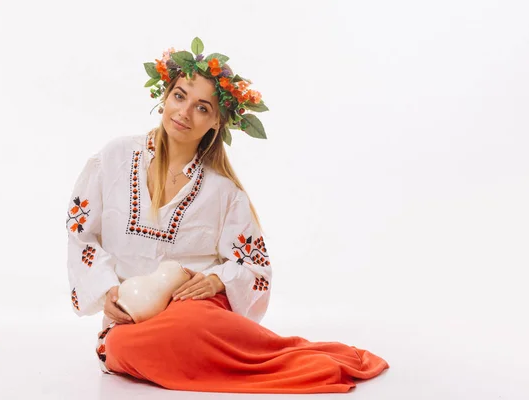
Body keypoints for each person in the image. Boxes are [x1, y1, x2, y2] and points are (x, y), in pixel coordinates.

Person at [66, 37, 389, 394]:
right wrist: (107, 291)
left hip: (192, 313)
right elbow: (82, 233)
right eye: (179, 96)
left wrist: (219, 280)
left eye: (202, 107)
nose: (185, 113)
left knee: (186, 322)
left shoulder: (224, 193)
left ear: (217, 123)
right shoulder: (114, 158)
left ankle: (290, 361)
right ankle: (232, 359)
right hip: (130, 319)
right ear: (163, 97)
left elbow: (256, 268)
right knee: (121, 348)